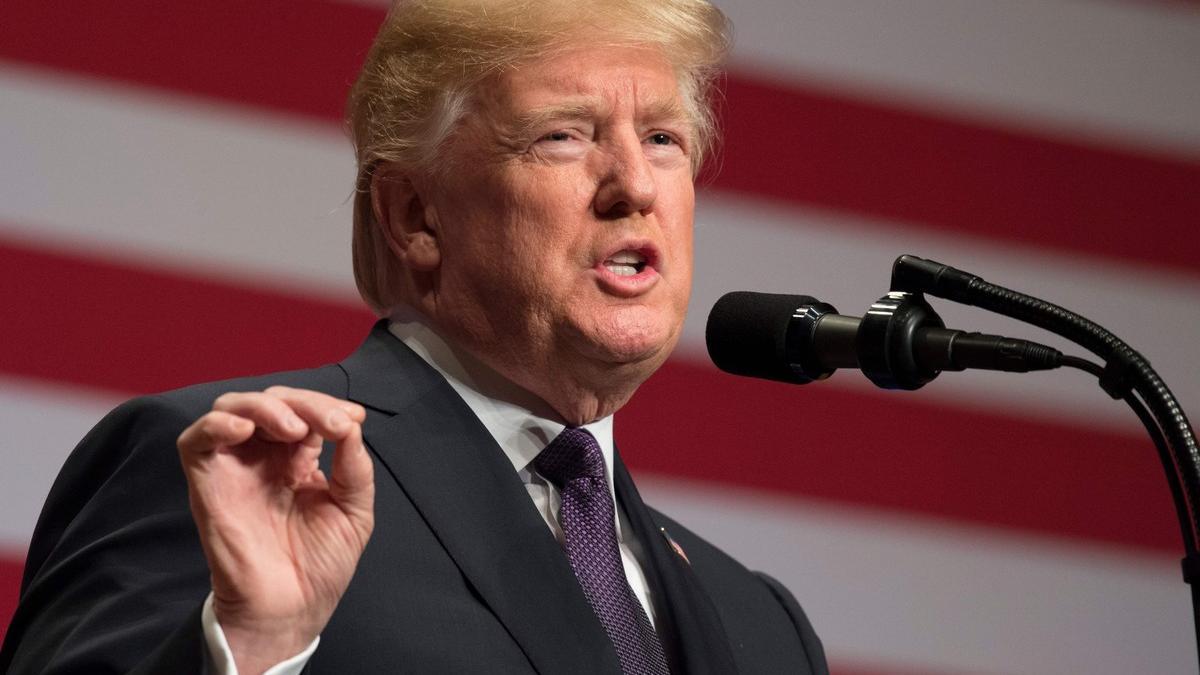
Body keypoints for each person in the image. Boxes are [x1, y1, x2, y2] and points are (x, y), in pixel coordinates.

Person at [0, 0, 829, 673]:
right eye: (563, 135)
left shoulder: (762, 626)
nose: (634, 186)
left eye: (662, 138)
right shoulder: (249, 484)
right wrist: (248, 651)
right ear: (414, 214)